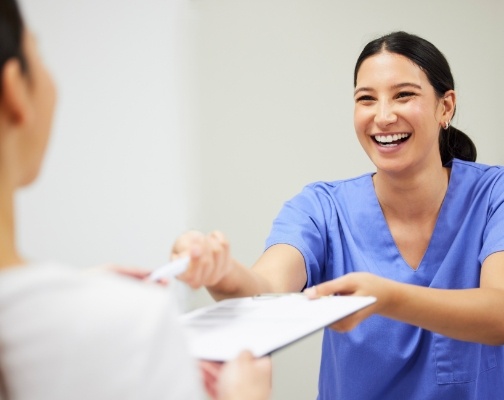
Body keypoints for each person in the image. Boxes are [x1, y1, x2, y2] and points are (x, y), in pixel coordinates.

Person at [172, 31, 504, 399]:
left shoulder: (494, 196)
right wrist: (222, 272)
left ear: (446, 106)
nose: (383, 115)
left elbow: (499, 312)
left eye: (403, 95)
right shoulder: (321, 208)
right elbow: (264, 291)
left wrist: (387, 298)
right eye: (366, 99)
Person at [0, 0, 271, 399]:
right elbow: (278, 290)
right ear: (14, 90)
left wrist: (75, 290)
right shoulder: (130, 326)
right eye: (37, 52)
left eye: (401, 94)